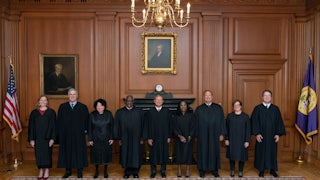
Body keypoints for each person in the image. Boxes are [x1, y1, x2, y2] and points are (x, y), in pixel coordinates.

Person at [251, 89, 286, 177]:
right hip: (261, 136)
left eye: (268, 95)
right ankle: (261, 169)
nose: (267, 97)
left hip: (272, 136)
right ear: (262, 97)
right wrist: (257, 133)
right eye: (265, 95)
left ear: (271, 97)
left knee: (272, 152)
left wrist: (278, 134)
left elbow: (279, 122)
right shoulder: (257, 108)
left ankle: (272, 169)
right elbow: (254, 122)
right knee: (261, 152)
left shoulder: (275, 109)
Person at [56, 88, 89, 178]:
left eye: (74, 94)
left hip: (79, 134)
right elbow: (59, 121)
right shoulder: (62, 107)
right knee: (67, 151)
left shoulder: (83, 107)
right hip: (66, 135)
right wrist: (60, 134)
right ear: (68, 95)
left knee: (79, 151)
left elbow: (87, 121)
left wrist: (85, 131)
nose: (72, 96)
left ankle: (79, 170)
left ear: (77, 96)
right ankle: (68, 170)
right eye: (70, 94)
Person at [194, 90, 226, 178]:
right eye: (206, 95)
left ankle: (214, 170)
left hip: (214, 134)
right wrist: (196, 135)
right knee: (202, 151)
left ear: (212, 96)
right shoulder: (199, 109)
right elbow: (195, 123)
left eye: (209, 95)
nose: (207, 97)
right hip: (202, 135)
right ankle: (202, 170)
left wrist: (222, 133)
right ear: (203, 97)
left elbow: (222, 121)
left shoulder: (218, 108)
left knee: (214, 151)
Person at [115, 95, 144, 179]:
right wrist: (119, 138)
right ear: (125, 102)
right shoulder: (119, 112)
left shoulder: (139, 111)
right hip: (124, 138)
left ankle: (135, 172)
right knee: (125, 153)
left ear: (133, 102)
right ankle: (127, 171)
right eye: (128, 101)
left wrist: (142, 137)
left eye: (131, 101)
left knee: (136, 153)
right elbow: (117, 126)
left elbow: (143, 125)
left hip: (136, 138)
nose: (129, 102)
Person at [28, 95, 56, 180]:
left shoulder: (51, 112)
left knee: (47, 154)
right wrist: (31, 139)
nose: (43, 102)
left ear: (47, 102)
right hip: (37, 138)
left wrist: (52, 138)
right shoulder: (34, 113)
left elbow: (54, 126)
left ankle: (47, 170)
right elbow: (31, 127)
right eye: (41, 100)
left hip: (47, 138)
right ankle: (40, 170)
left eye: (45, 100)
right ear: (38, 101)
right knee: (39, 155)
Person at [146, 95, 172, 178]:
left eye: (160, 100)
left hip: (164, 136)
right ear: (154, 101)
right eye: (157, 100)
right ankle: (153, 171)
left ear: (163, 101)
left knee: (164, 153)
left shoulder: (167, 111)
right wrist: (149, 137)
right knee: (153, 154)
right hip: (153, 136)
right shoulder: (150, 111)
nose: (158, 101)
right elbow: (147, 126)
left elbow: (170, 125)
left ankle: (163, 171)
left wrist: (169, 136)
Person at [88, 98, 114, 178]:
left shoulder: (109, 114)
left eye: (101, 105)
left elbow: (112, 127)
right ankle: (96, 170)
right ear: (95, 106)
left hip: (106, 138)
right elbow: (89, 127)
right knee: (96, 155)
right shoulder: (92, 114)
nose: (99, 107)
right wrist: (90, 139)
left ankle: (105, 170)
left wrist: (111, 138)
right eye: (98, 105)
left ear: (104, 106)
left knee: (106, 154)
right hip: (95, 138)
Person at [225, 100, 250, 177]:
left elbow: (248, 129)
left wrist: (247, 140)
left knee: (242, 156)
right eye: (235, 105)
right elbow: (226, 128)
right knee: (231, 155)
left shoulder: (245, 116)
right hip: (232, 139)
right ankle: (232, 170)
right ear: (233, 106)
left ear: (241, 106)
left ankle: (240, 171)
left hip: (242, 140)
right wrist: (226, 139)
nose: (236, 106)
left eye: (238, 105)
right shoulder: (229, 116)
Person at [173, 100, 195, 178]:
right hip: (179, 138)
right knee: (179, 153)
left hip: (188, 137)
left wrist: (190, 135)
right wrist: (179, 136)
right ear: (179, 107)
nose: (183, 107)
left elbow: (193, 126)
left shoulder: (191, 115)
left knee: (188, 154)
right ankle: (178, 169)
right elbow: (174, 127)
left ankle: (187, 170)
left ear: (187, 106)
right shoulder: (176, 116)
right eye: (181, 105)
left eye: (184, 105)